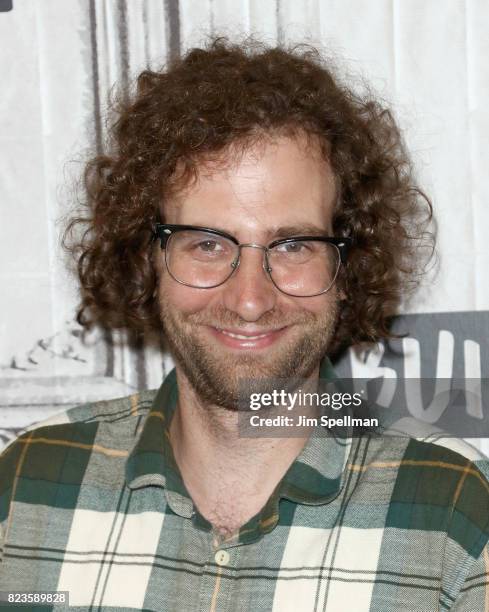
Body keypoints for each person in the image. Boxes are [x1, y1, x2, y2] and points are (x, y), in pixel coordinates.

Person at [0, 38, 488, 612]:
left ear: (346, 265)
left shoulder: (456, 512)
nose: (250, 299)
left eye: (292, 244)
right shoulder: (27, 487)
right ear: (146, 257)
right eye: (207, 244)